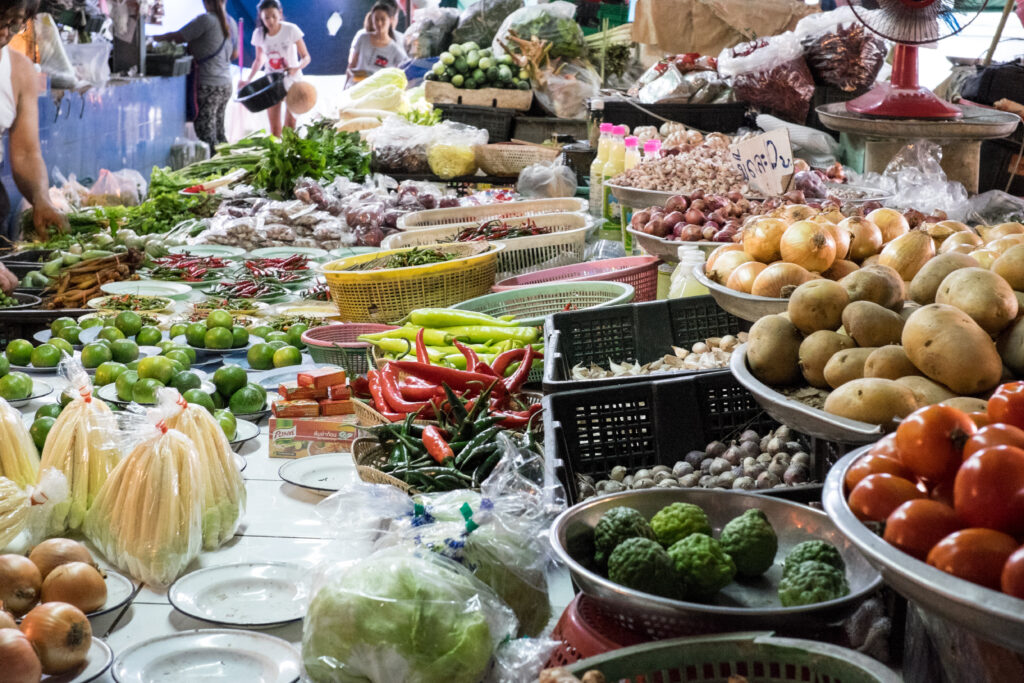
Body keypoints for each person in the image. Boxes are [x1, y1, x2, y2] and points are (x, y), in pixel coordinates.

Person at [0, 0, 67, 293]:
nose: (5, 32)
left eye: (14, 23)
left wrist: (41, 199)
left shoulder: (18, 69)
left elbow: (26, 152)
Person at [152, 0, 238, 153]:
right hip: (225, 83)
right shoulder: (231, 21)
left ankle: (216, 172)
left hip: (209, 85)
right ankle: (227, 169)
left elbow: (177, 37)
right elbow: (235, 54)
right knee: (218, 133)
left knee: (207, 135)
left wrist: (151, 39)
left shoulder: (206, 20)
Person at [244, 0, 310, 136]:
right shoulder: (258, 33)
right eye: (266, 17)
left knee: (290, 126)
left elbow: (306, 57)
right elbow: (259, 59)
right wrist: (248, 80)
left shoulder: (291, 29)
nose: (270, 21)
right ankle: (277, 154)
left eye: (274, 16)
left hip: (293, 81)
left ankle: (288, 154)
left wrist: (296, 68)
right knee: (274, 129)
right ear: (261, 17)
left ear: (280, 13)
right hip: (272, 84)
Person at [346, 1, 408, 87]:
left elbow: (404, 69)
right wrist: (345, 87)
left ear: (390, 20)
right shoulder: (363, 38)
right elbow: (352, 66)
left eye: (383, 19)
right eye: (376, 19)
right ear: (372, 19)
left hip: (376, 91)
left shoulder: (395, 49)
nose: (379, 23)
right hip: (355, 86)